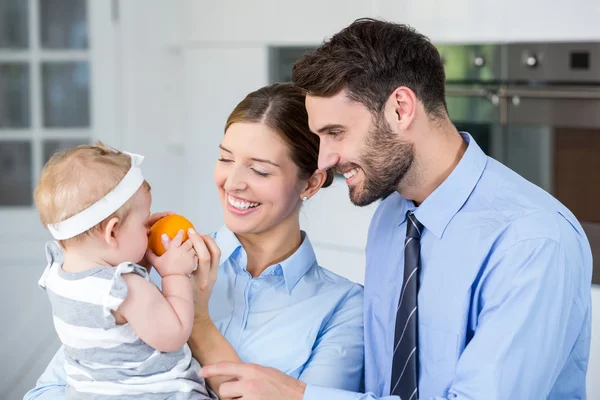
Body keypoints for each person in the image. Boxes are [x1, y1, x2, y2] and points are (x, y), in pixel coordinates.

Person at [198, 18, 593, 400]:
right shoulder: (392, 218)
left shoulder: (532, 242)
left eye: (336, 133)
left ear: (401, 109)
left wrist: (301, 397)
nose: (324, 159)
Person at [25, 83, 364, 399]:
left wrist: (198, 322)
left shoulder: (344, 309)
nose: (233, 183)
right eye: (225, 159)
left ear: (311, 183)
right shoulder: (147, 262)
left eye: (259, 170)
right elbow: (51, 388)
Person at [32, 143, 211, 399]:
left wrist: (137, 247)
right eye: (143, 222)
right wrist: (175, 275)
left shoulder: (58, 273)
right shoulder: (123, 288)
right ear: (112, 231)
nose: (149, 230)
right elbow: (174, 334)